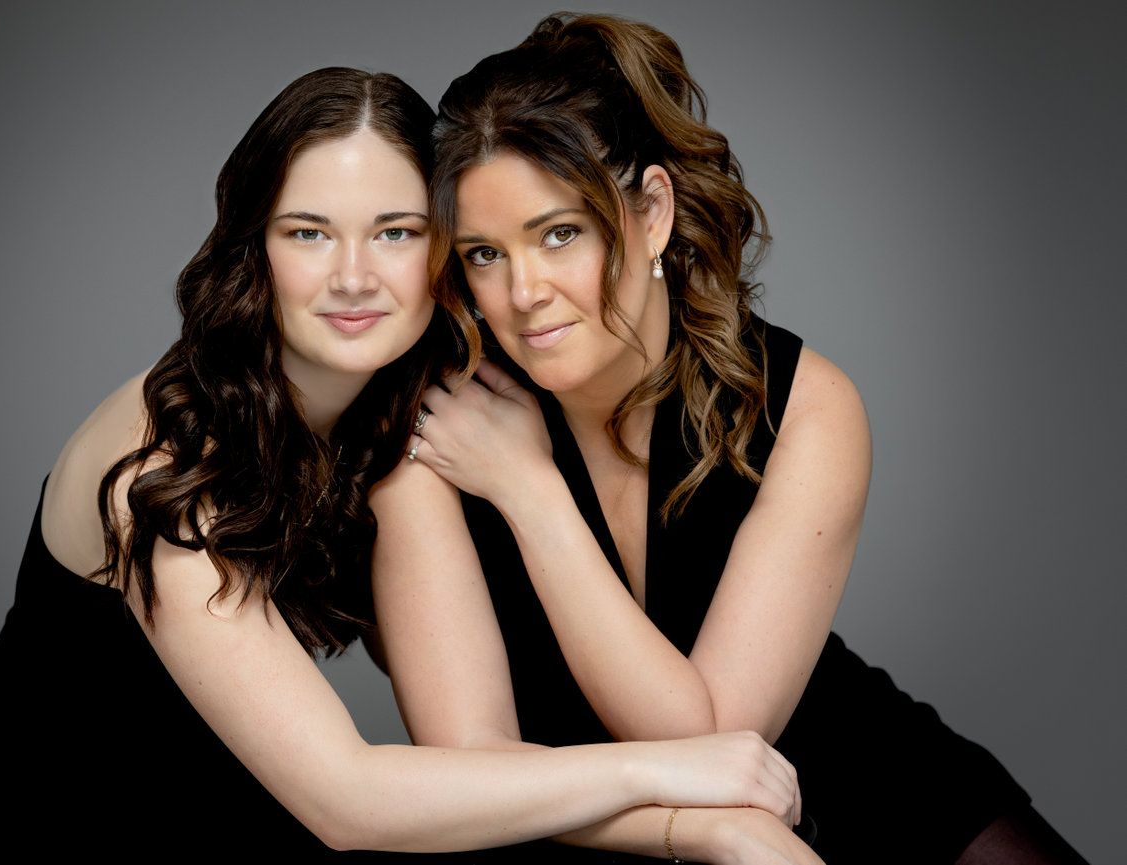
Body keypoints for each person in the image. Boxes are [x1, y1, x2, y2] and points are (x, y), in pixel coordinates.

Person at [0, 66, 807, 862]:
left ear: (445, 252)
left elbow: (480, 753)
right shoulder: (162, 457)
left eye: (395, 232)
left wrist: (704, 824)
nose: (353, 276)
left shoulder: (403, 419)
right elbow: (351, 800)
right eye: (309, 233)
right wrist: (677, 776)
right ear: (253, 250)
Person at [371, 14, 1089, 865]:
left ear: (652, 214)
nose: (523, 291)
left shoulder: (806, 405)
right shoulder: (439, 421)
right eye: (486, 253)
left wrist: (531, 490)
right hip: (621, 824)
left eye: (560, 232)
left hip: (845, 778)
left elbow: (712, 739)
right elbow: (471, 768)